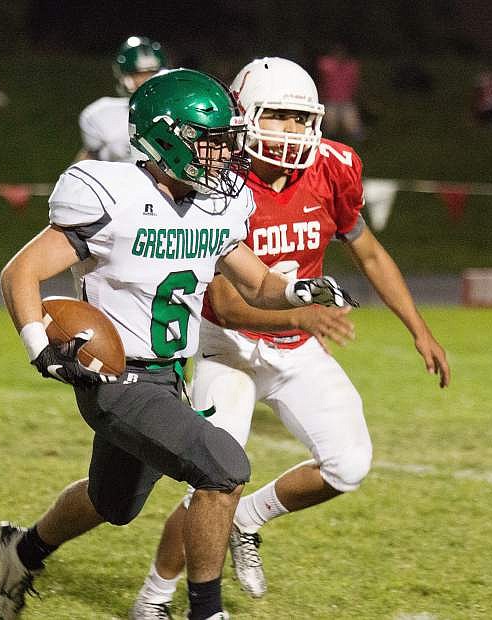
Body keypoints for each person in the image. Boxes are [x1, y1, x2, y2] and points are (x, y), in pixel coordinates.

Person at [0, 67, 354, 620]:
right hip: (113, 376)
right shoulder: (112, 194)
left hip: (168, 375)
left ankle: (23, 551)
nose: (224, 158)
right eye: (211, 144)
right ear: (166, 139)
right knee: (223, 468)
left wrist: (302, 291)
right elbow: (21, 271)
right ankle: (205, 611)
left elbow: (256, 282)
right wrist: (39, 345)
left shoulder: (218, 206)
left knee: (111, 502)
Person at [131, 57, 451, 617]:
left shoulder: (335, 167)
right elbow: (229, 304)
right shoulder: (215, 178)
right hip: (225, 344)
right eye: (277, 117)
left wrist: (420, 329)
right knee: (212, 480)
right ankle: (154, 597)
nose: (292, 131)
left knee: (348, 464)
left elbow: (368, 250)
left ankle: (248, 521)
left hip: (293, 340)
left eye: (301, 119)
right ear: (244, 115)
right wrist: (302, 317)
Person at [75, 35, 167, 163]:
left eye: (152, 74)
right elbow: (88, 159)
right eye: (140, 75)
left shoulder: (178, 113)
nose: (147, 81)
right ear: (125, 77)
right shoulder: (101, 114)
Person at [316, 44, 363, 142]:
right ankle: (329, 142)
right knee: (330, 125)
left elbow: (355, 83)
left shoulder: (350, 66)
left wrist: (356, 96)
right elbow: (321, 79)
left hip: (346, 100)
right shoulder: (327, 65)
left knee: (352, 124)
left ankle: (361, 144)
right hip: (330, 100)